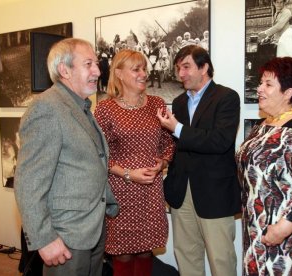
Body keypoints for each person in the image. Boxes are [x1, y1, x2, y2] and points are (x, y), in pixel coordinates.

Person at [14, 38, 118, 276]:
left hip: (90, 229)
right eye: (88, 63)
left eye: (96, 63)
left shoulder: (80, 107)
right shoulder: (47, 108)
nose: (97, 70)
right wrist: (44, 239)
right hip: (65, 236)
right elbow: (28, 182)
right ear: (64, 70)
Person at [156, 45, 241, 276]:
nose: (180, 74)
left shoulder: (227, 97)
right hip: (181, 192)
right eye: (178, 68)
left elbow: (220, 141)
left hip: (214, 193)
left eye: (186, 67)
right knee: (186, 255)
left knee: (220, 259)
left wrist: (178, 129)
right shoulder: (179, 102)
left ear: (204, 67)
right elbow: (176, 146)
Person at [235, 57, 292, 276]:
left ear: (288, 92)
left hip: (284, 233)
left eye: (268, 84)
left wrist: (283, 229)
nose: (259, 89)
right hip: (257, 224)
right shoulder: (265, 124)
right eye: (261, 83)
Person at [94, 49, 175, 276]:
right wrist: (128, 173)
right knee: (123, 252)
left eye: (144, 69)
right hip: (121, 190)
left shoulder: (156, 104)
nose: (143, 74)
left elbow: (168, 143)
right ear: (119, 73)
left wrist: (163, 163)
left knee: (146, 251)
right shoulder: (105, 109)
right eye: (136, 69)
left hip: (151, 191)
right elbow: (98, 153)